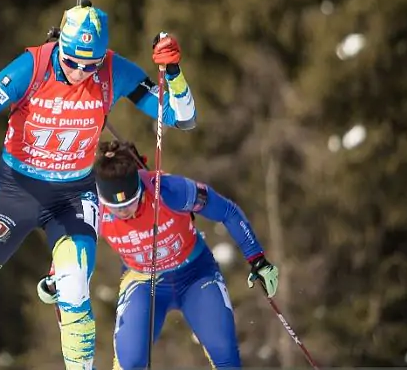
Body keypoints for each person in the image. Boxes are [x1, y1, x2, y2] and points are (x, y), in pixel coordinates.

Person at [0, 3, 198, 370]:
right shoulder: (33, 66)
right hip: (15, 191)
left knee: (74, 293)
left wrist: (174, 73)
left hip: (72, 197)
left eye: (91, 65)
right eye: (72, 62)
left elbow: (182, 117)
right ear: (60, 47)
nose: (81, 73)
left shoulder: (113, 72)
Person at [36, 140, 280, 370]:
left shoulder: (169, 190)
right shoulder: (92, 207)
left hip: (195, 274)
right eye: (116, 208)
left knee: (226, 356)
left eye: (131, 203)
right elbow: (71, 244)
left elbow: (227, 211)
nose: (125, 213)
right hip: (143, 282)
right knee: (129, 364)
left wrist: (257, 259)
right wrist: (54, 278)